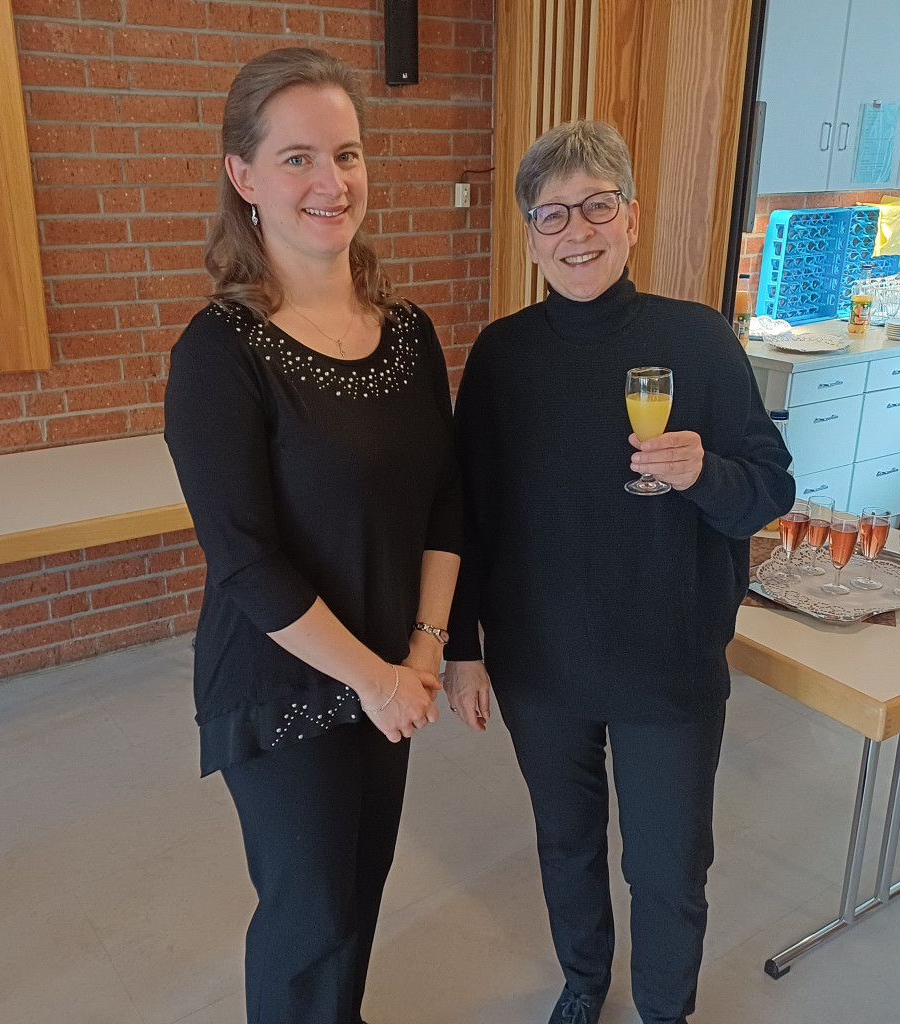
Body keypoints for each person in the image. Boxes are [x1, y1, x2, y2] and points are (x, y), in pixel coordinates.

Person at [443, 120, 794, 1024]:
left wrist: (702, 471)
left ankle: (663, 1009)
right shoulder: (502, 356)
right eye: (552, 214)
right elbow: (464, 515)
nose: (577, 231)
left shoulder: (701, 341)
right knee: (565, 843)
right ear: (531, 237)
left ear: (631, 220)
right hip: (539, 661)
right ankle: (584, 982)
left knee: (669, 865)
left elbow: (768, 491)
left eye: (597, 207)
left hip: (667, 658)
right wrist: (462, 647)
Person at [163, 47, 460, 1024]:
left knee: (361, 890)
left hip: (392, 668)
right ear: (243, 177)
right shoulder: (219, 353)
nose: (331, 182)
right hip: (281, 679)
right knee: (311, 915)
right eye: (297, 158)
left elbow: (445, 501)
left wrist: (423, 652)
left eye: (346, 154)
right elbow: (244, 559)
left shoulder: (410, 333)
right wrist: (375, 678)